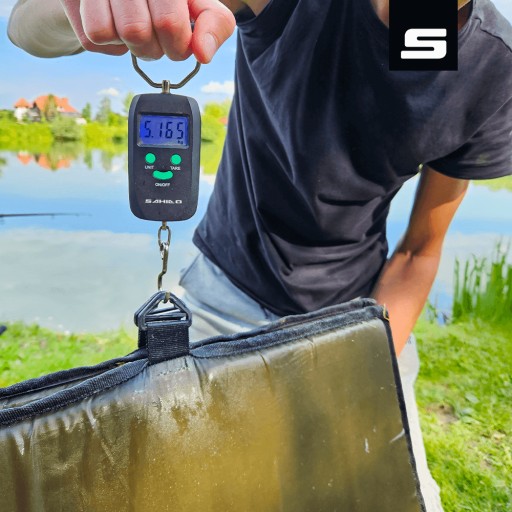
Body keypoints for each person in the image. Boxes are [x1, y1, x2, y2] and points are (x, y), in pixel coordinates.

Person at [8, 0, 512, 510]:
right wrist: (85, 11)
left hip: (359, 314)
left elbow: (419, 252)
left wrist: (362, 355)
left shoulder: (495, 66)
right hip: (222, 296)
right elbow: (25, 28)